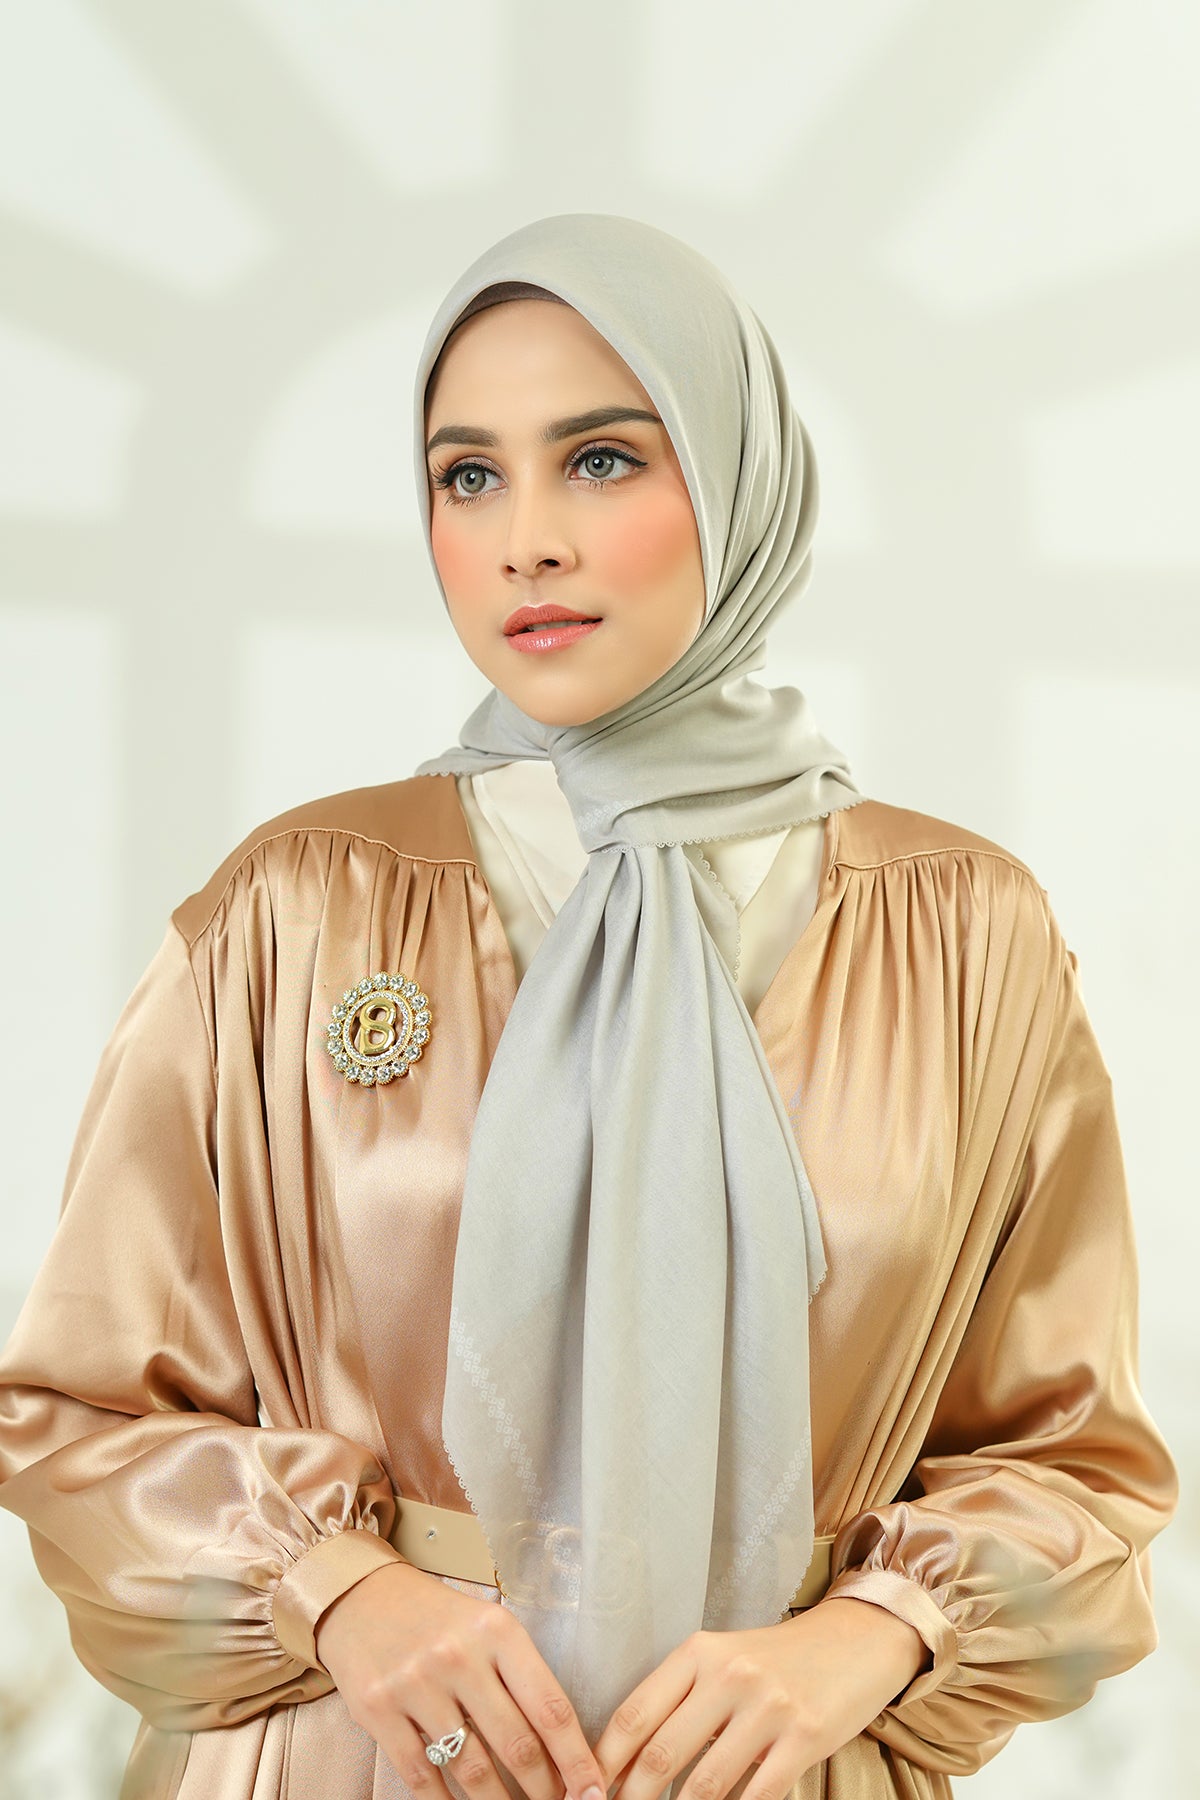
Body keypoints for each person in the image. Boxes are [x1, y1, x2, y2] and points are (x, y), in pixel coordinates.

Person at [0, 213, 1176, 1800]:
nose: (526, 542)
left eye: (603, 460)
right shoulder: (295, 911)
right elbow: (74, 1415)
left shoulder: (966, 937)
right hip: (357, 1755)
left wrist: (873, 1634)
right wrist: (340, 1593)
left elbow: (1077, 1462)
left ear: (743, 481)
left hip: (771, 1771)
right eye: (467, 476)